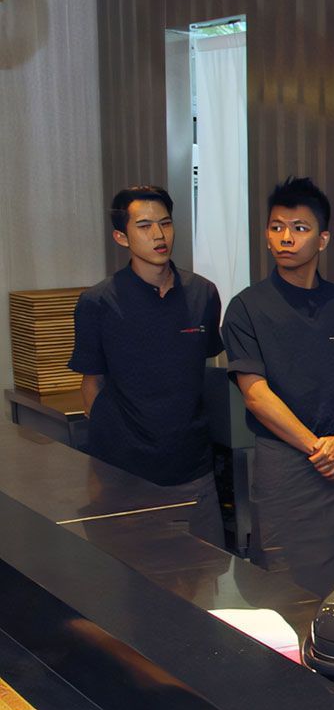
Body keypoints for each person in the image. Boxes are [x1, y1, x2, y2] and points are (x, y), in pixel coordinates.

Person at [223, 177, 334, 596]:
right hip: (287, 463)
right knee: (285, 583)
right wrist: (319, 449)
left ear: (322, 239)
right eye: (276, 227)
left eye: (299, 228)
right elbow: (255, 395)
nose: (285, 238)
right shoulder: (246, 308)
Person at [67, 185, 226, 547]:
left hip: (192, 467)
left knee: (202, 579)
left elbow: (194, 371)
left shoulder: (203, 293)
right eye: (144, 226)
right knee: (132, 586)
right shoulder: (98, 302)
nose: (159, 235)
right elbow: (91, 385)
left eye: (166, 223)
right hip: (124, 473)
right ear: (121, 237)